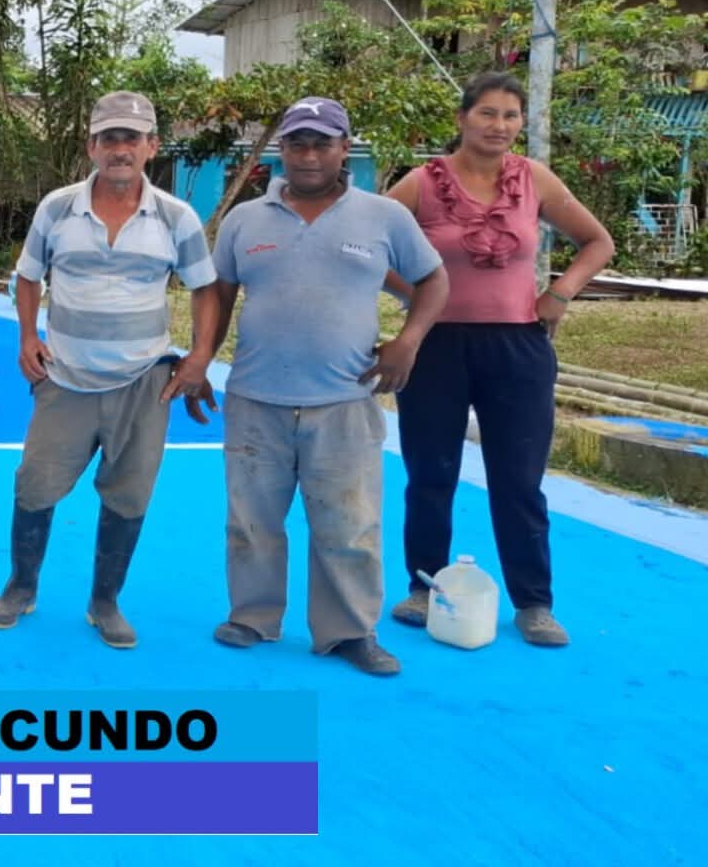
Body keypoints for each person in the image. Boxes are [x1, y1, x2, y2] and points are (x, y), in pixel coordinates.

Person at [207, 96, 449, 676]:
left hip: (345, 399)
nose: (309, 155)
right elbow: (219, 293)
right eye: (297, 143)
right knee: (250, 521)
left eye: (322, 144)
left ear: (344, 149)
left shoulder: (383, 216)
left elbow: (434, 279)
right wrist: (199, 361)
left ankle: (348, 631)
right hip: (255, 397)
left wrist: (408, 341)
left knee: (349, 525)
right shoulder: (244, 220)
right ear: (281, 150)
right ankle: (253, 616)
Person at [382, 72, 615, 647]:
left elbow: (598, 242)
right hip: (436, 347)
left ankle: (533, 603)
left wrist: (560, 294)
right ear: (462, 118)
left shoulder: (534, 179)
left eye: (511, 116)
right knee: (430, 475)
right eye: (487, 113)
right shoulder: (422, 183)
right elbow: (364, 243)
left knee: (519, 480)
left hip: (518, 348)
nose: (499, 126)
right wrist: (416, 297)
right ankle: (423, 587)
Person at [0, 92, 222, 647]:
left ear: (152, 146)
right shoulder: (57, 209)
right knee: (35, 486)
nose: (120, 150)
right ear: (91, 146)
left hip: (145, 381)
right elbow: (28, 276)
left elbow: (205, 288)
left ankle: (105, 601)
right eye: (109, 138)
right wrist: (27, 336)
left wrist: (200, 356)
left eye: (131, 139)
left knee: (129, 494)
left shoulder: (176, 217)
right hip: (64, 378)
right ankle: (21, 587)